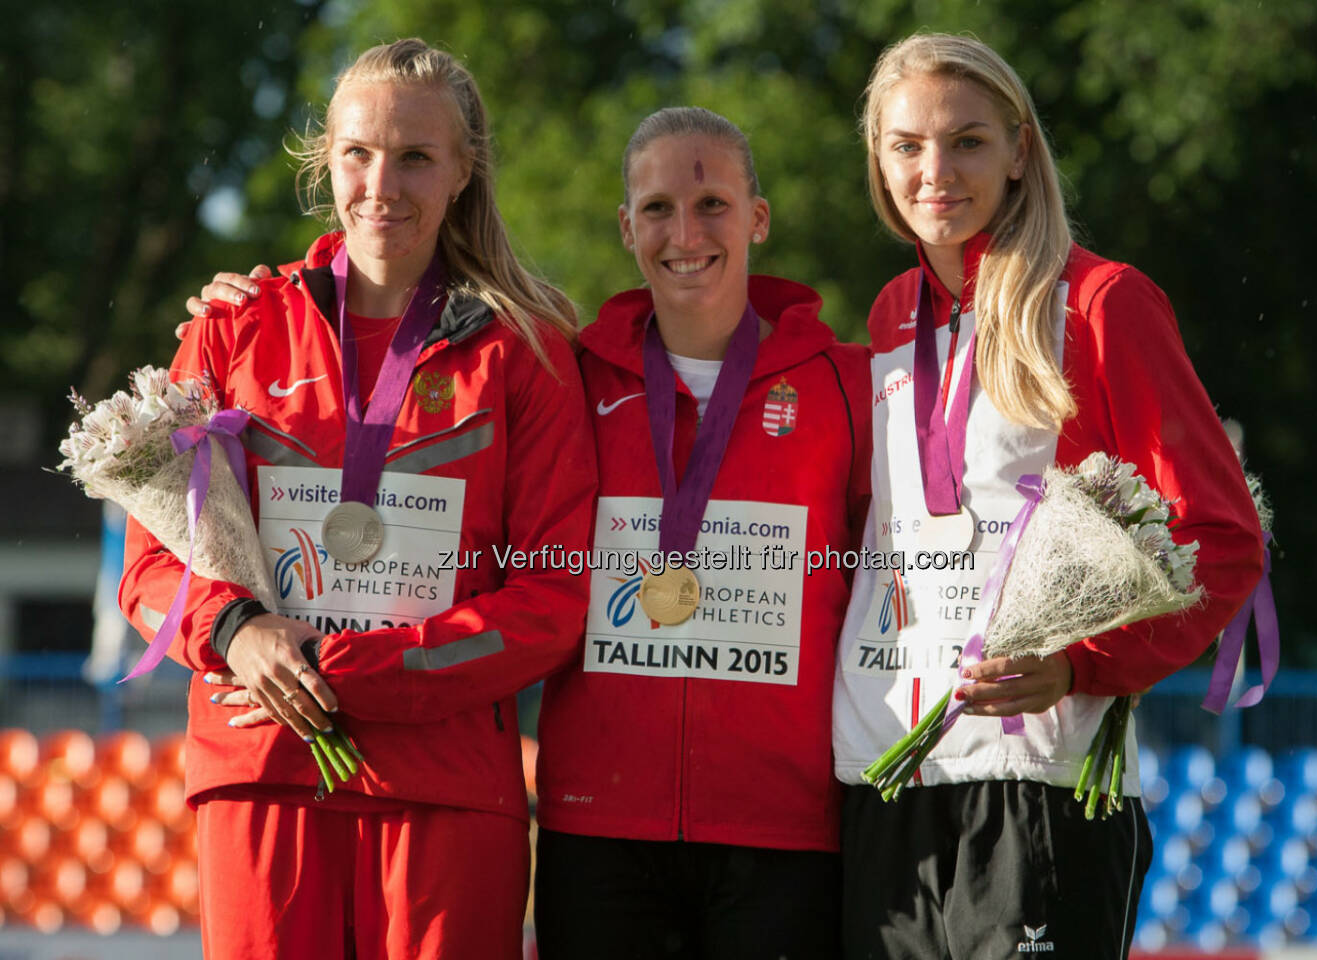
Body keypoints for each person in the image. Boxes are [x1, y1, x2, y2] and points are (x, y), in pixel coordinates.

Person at [122, 38, 596, 960]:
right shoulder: (233, 328)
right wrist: (234, 632)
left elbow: (552, 600)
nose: (383, 183)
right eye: (359, 154)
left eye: (417, 156)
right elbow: (149, 568)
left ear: (463, 171)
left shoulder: (526, 354)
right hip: (257, 762)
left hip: (447, 787)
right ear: (325, 161)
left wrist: (353, 670)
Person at [830, 33, 1264, 960]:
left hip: (1038, 777)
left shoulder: (1103, 303)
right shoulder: (888, 315)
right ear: (877, 158)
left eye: (968, 142)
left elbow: (1220, 538)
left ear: (1021, 150)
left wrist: (1090, 664)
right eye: (905, 145)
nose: (934, 170)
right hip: (884, 772)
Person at [530, 107, 870, 959]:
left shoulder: (847, 386)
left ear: (758, 217)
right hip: (597, 823)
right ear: (625, 227)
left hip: (782, 831)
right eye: (655, 209)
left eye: (712, 202)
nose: (685, 232)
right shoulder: (568, 379)